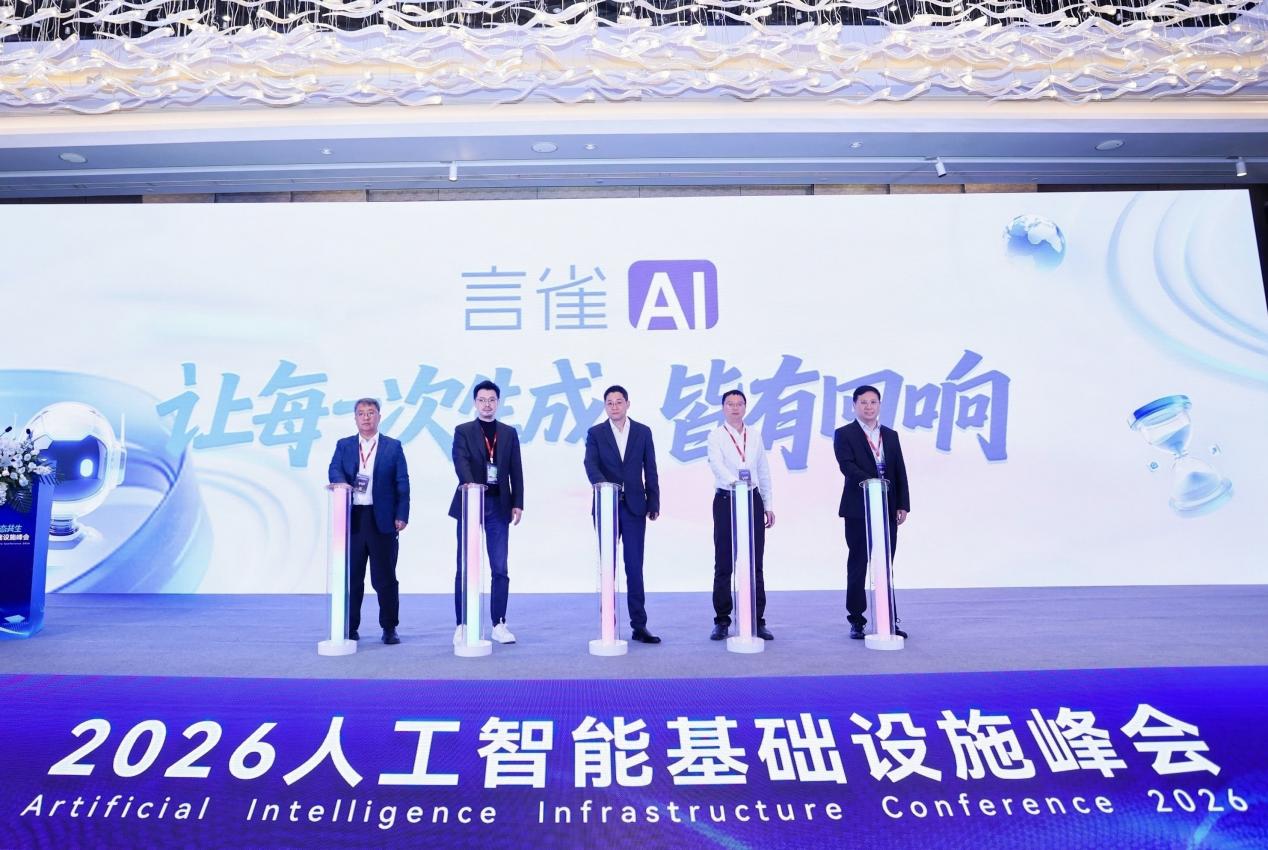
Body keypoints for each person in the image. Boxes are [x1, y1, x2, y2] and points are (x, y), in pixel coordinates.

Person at [583, 385, 662, 644]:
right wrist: (605, 488)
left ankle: (639, 626)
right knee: (608, 568)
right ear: (605, 406)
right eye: (610, 402)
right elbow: (590, 464)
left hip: (635, 507)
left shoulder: (642, 431)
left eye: (619, 402)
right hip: (607, 506)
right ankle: (608, 623)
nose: (614, 406)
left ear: (628, 404)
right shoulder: (596, 433)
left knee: (634, 567)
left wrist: (654, 501)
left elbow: (650, 468)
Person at [327, 398, 409, 645]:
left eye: (370, 413)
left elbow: (402, 483)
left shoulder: (393, 447)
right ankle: (350, 627)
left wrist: (402, 514)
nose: (366, 417)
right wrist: (343, 484)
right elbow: (334, 470)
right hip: (352, 519)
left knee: (384, 578)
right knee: (352, 578)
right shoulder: (344, 445)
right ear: (355, 418)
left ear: (379, 417)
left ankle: (389, 628)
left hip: (382, 519)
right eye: (361, 413)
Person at [449, 380, 524, 645]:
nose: (487, 404)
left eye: (492, 400)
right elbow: (460, 461)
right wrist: (472, 487)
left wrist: (518, 502)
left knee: (500, 567)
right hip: (470, 503)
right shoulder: (463, 431)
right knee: (465, 566)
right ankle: (463, 624)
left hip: (499, 506)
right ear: (475, 403)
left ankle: (499, 623)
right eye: (482, 400)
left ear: (498, 402)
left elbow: (516, 469)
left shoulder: (508, 433)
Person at [833, 385, 910, 640]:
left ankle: (889, 619)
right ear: (854, 405)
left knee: (885, 565)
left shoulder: (891, 435)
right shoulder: (844, 434)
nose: (868, 407)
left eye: (873, 402)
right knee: (858, 564)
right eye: (863, 402)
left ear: (879, 405)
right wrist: (873, 483)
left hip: (887, 508)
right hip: (858, 509)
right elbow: (847, 466)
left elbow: (899, 470)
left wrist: (902, 504)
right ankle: (857, 620)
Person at [706, 389, 775, 641]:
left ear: (745, 407)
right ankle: (722, 620)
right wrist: (736, 484)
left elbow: (763, 470)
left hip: (752, 499)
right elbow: (716, 465)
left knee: (755, 562)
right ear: (723, 408)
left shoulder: (754, 435)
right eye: (730, 404)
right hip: (727, 499)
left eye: (739, 404)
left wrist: (767, 504)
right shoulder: (715, 435)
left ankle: (757, 620)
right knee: (724, 561)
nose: (735, 408)